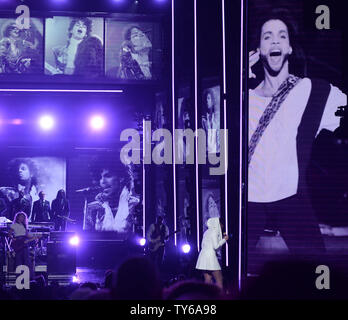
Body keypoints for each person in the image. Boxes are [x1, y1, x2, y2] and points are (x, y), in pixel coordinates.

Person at [247, 9, 347, 268]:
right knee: (224, 273)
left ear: (290, 48)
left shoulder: (312, 91)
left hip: (291, 200)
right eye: (267, 37)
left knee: (319, 277)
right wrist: (238, 78)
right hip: (249, 201)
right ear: (258, 49)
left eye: (282, 36)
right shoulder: (243, 98)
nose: (276, 41)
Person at [83, 158, 140, 232]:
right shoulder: (92, 208)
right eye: (100, 177)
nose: (102, 181)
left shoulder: (134, 204)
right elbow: (87, 238)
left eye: (108, 176)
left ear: (121, 178)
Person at [195, 217, 228, 290]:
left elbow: (202, 245)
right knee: (219, 280)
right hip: (210, 258)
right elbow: (216, 246)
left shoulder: (206, 232)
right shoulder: (214, 232)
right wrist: (224, 240)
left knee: (207, 281)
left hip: (203, 257)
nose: (222, 226)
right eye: (220, 224)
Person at [8, 212, 37, 277]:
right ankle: (19, 278)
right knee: (18, 260)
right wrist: (13, 238)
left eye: (23, 217)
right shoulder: (14, 225)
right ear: (17, 217)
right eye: (21, 216)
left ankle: (29, 278)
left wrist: (34, 237)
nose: (22, 218)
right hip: (18, 244)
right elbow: (9, 233)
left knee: (27, 261)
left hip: (24, 243)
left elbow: (27, 235)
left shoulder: (24, 225)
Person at [202, 88, 220, 154]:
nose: (207, 101)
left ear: (212, 100)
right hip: (208, 151)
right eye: (206, 99)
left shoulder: (217, 116)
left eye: (209, 98)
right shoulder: (203, 119)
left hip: (217, 150)